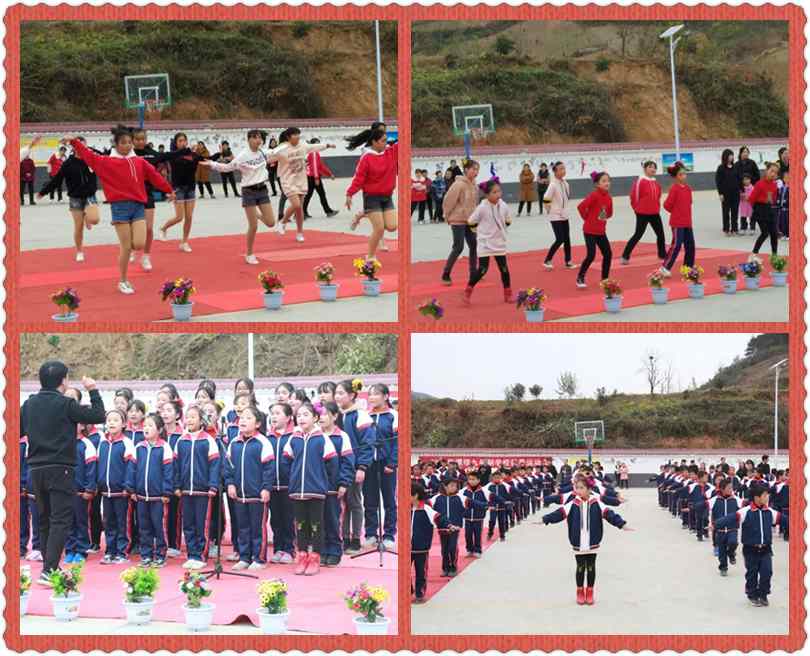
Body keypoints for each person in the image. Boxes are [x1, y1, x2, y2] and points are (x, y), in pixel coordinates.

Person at [20, 362, 105, 584]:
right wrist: (92, 390)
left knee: (44, 519)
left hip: (35, 469)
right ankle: (49, 570)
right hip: (60, 469)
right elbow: (98, 415)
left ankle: (50, 567)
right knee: (60, 520)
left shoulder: (28, 405)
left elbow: (14, 431)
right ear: (63, 380)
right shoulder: (66, 404)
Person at [66, 128, 175, 295]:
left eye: (129, 142)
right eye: (123, 143)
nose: (127, 145)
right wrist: (74, 142)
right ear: (116, 144)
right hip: (120, 208)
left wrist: (169, 190)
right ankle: (123, 281)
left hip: (138, 206)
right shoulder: (105, 162)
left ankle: (131, 256)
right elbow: (88, 155)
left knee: (139, 243)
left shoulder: (139, 162)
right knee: (126, 247)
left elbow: (155, 176)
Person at [541, 476, 632, 605]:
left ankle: (590, 591)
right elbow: (558, 514)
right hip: (578, 541)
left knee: (591, 567)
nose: (578, 491)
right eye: (577, 488)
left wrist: (622, 524)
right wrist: (545, 519)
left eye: (581, 488)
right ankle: (579, 591)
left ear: (589, 489)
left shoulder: (596, 502)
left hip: (593, 541)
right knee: (580, 567)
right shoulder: (572, 503)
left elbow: (609, 514)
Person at [199, 129, 278, 264]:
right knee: (253, 226)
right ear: (249, 139)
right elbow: (227, 167)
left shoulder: (263, 152)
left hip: (262, 190)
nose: (258, 140)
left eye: (260, 138)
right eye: (255, 138)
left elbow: (278, 152)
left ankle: (257, 214)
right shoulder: (243, 156)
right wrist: (212, 164)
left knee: (271, 222)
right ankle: (249, 254)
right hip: (249, 191)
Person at [283, 402, 338, 576]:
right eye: (298, 415)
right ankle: (302, 557)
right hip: (297, 491)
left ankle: (315, 558)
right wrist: (293, 478)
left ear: (315, 418)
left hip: (316, 491)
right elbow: (286, 461)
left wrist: (323, 482)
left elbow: (332, 464)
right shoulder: (294, 438)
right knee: (300, 525)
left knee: (316, 525)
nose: (301, 418)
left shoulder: (322, 439)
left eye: (305, 415)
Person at [225, 406, 274, 571]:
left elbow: (269, 469)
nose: (243, 421)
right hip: (239, 495)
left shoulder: (263, 443)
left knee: (257, 528)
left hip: (257, 495)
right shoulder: (234, 443)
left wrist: (266, 488)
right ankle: (244, 557)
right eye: (242, 418)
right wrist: (230, 484)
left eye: (248, 418)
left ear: (258, 423)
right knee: (242, 527)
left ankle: (259, 558)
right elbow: (228, 467)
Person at [716, 482, 780, 606]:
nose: (767, 497)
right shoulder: (746, 512)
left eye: (767, 495)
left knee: (767, 572)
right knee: (752, 573)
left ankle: (763, 594)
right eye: (765, 495)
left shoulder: (769, 512)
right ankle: (752, 594)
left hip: (766, 549)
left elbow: (783, 519)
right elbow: (730, 518)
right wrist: (715, 524)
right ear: (757, 497)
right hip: (750, 549)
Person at [37, 137, 100, 263]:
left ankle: (87, 216)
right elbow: (57, 180)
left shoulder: (92, 159)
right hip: (75, 198)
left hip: (89, 196)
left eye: (84, 146)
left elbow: (105, 157)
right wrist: (43, 192)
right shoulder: (68, 163)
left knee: (94, 219)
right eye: (79, 146)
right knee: (79, 227)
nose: (82, 148)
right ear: (74, 148)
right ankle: (79, 251)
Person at [174, 404, 221, 570]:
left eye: (193, 417)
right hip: (186, 490)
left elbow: (214, 465)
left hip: (203, 491)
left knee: (202, 524)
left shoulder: (208, 440)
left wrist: (213, 486)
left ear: (201, 420)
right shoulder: (181, 441)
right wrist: (177, 485)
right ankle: (191, 554)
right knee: (188, 525)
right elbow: (176, 466)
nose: (189, 420)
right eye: (187, 417)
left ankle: (201, 555)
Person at [270, 127, 335, 243]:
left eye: (298, 134)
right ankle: (283, 222)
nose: (297, 136)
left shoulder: (303, 146)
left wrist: (328, 145)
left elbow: (314, 147)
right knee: (296, 204)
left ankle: (299, 233)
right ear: (288, 137)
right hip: (287, 180)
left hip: (301, 180)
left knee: (299, 208)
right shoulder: (282, 148)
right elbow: (269, 155)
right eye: (295, 134)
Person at [345, 126, 399, 259]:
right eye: (383, 141)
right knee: (379, 228)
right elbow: (359, 179)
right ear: (374, 142)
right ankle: (370, 256)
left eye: (386, 140)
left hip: (387, 197)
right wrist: (349, 194)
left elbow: (404, 141)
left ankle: (362, 214)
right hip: (372, 197)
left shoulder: (391, 152)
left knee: (392, 226)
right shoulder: (366, 158)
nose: (386, 143)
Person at [128, 413, 174, 567]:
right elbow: (132, 469)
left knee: (159, 527)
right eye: (145, 425)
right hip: (141, 497)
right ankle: (146, 555)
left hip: (158, 498)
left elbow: (168, 472)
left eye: (150, 425)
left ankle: (160, 555)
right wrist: (131, 489)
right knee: (144, 527)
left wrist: (166, 492)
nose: (146, 428)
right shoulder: (139, 447)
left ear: (159, 430)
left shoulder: (164, 447)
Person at [334, 379, 374, 553]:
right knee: (342, 504)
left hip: (353, 466)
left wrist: (362, 467)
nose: (337, 396)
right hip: (337, 467)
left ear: (352, 395)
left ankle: (356, 539)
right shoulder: (335, 415)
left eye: (341, 393)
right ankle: (343, 538)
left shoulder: (360, 415)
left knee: (354, 502)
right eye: (336, 393)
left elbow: (368, 444)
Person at [463, 178, 513, 305]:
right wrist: (479, 232)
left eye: (499, 191)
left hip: (499, 242)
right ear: (487, 194)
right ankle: (469, 289)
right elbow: (471, 221)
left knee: (504, 269)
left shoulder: (503, 205)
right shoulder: (482, 207)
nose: (498, 194)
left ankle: (508, 294)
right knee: (482, 270)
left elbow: (508, 220)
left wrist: (501, 229)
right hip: (485, 243)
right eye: (494, 192)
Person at [97, 409, 136, 565]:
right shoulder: (103, 443)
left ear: (124, 424)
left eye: (116, 420)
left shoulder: (127, 443)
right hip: (106, 492)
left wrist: (128, 486)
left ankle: (122, 552)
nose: (111, 423)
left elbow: (131, 467)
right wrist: (98, 484)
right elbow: (99, 465)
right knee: (109, 523)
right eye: (109, 420)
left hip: (121, 492)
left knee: (122, 523)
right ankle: (110, 551)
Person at [63, 388, 98, 566]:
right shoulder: (63, 443)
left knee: (82, 522)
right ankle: (70, 549)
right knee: (68, 522)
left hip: (81, 492)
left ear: (83, 425)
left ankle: (82, 550)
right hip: (65, 491)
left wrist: (89, 489)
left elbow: (91, 469)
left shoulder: (87, 444)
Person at [158, 132, 209, 253]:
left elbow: (205, 160)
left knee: (189, 217)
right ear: (176, 143)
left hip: (190, 188)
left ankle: (184, 242)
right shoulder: (173, 155)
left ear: (187, 141)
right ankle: (163, 228)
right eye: (179, 141)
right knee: (179, 217)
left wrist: (218, 155)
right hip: (178, 189)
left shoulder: (192, 154)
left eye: (184, 140)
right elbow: (161, 158)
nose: (182, 143)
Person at [320, 401, 355, 567]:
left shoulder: (342, 436)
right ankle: (321, 551)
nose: (321, 418)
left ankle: (334, 551)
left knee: (333, 520)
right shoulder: (314, 435)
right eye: (318, 414)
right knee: (319, 521)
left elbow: (348, 462)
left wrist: (343, 483)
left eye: (325, 414)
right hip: (316, 487)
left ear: (334, 416)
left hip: (333, 487)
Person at [365, 384, 398, 549]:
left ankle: (389, 534)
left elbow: (397, 441)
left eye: (376, 394)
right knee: (369, 500)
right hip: (369, 463)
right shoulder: (366, 416)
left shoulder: (393, 415)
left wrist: (392, 462)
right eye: (370, 395)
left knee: (389, 500)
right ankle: (371, 534)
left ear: (385, 396)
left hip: (387, 463)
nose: (372, 397)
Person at [411, 480, 453, 603]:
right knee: (403, 572)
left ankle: (419, 594)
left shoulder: (426, 509)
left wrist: (449, 525)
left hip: (421, 548)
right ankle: (409, 590)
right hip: (406, 548)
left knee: (421, 572)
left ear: (415, 495)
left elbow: (440, 518)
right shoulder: (404, 508)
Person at [441, 159, 479, 286]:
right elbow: (448, 200)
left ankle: (473, 273)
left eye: (477, 169)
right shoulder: (458, 184)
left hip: (470, 220)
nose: (476, 172)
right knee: (458, 247)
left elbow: (474, 203)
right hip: (458, 220)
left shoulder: (474, 184)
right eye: (474, 169)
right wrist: (446, 215)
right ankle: (446, 274)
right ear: (466, 170)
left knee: (474, 245)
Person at [267, 402, 296, 564]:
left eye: (278, 413)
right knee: (275, 519)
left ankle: (289, 549)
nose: (274, 417)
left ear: (288, 417)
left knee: (289, 518)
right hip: (272, 486)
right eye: (272, 413)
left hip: (289, 486)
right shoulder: (267, 437)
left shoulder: (295, 436)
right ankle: (278, 548)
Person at [621, 161, 666, 263]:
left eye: (654, 167)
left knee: (660, 234)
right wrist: (636, 209)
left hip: (654, 213)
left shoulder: (655, 183)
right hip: (642, 213)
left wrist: (656, 206)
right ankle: (625, 256)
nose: (653, 169)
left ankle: (662, 255)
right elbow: (634, 196)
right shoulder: (640, 182)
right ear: (645, 169)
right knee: (638, 234)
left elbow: (658, 195)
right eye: (650, 167)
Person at [576, 171, 613, 289]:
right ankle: (580, 277)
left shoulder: (609, 197)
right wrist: (586, 218)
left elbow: (610, 213)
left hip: (601, 231)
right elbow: (581, 207)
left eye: (608, 180)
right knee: (591, 255)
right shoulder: (594, 195)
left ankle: (605, 279)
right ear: (597, 184)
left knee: (608, 254)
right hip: (589, 231)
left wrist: (603, 215)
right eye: (604, 181)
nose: (607, 183)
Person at [660, 161, 694, 277]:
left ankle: (687, 268)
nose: (684, 176)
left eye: (684, 174)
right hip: (677, 223)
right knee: (676, 245)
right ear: (675, 176)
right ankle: (665, 267)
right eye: (681, 174)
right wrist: (676, 212)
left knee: (690, 246)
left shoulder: (688, 189)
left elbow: (689, 203)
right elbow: (666, 205)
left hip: (687, 222)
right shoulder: (674, 189)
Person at [542, 162, 575, 270]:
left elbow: (567, 198)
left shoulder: (566, 183)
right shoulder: (553, 184)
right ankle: (547, 260)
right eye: (560, 169)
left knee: (567, 239)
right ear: (555, 171)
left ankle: (568, 261)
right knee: (560, 239)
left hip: (565, 215)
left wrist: (565, 210)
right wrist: (550, 210)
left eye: (564, 168)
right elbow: (546, 198)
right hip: (555, 216)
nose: (563, 170)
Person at [430, 478, 466, 577]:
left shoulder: (460, 498)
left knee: (452, 547)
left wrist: (484, 506)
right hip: (442, 528)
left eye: (456, 486)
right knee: (444, 549)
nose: (454, 488)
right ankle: (445, 568)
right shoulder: (436, 498)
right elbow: (427, 507)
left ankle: (453, 567)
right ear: (445, 486)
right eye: (452, 486)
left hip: (455, 527)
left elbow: (471, 505)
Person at [709, 478, 742, 576]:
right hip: (720, 530)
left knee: (733, 542)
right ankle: (723, 567)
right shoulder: (715, 500)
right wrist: (711, 524)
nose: (731, 490)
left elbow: (745, 507)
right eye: (729, 488)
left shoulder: (736, 499)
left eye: (732, 488)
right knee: (722, 551)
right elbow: (706, 506)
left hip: (732, 528)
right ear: (722, 489)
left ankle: (731, 553)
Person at [750, 162, 781, 257]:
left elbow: (773, 199)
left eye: (775, 172)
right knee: (765, 233)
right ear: (766, 171)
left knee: (774, 233)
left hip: (769, 210)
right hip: (759, 210)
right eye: (771, 171)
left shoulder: (774, 185)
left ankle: (774, 255)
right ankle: (754, 253)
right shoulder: (759, 184)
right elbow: (751, 199)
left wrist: (770, 200)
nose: (773, 174)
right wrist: (756, 210)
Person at [302, 138, 339, 219]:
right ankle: (328, 211)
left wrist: (329, 174)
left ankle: (303, 212)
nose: (319, 145)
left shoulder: (313, 153)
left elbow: (321, 166)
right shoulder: (314, 153)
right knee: (320, 194)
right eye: (317, 144)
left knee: (309, 195)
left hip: (310, 177)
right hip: (313, 177)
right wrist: (316, 178)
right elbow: (315, 167)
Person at [716, 149, 740, 236]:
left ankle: (734, 229)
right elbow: (718, 182)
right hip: (725, 194)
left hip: (735, 193)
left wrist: (742, 191)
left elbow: (739, 179)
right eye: (730, 155)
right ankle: (726, 229)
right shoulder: (721, 168)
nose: (731, 157)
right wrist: (720, 194)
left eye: (732, 155)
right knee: (726, 212)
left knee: (735, 212)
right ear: (725, 156)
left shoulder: (735, 167)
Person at [777, 171, 789, 240]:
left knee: (787, 222)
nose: (786, 179)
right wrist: (778, 200)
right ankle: (784, 234)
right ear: (783, 179)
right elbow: (779, 195)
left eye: (788, 178)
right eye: (785, 178)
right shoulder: (782, 188)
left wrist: (786, 200)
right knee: (782, 221)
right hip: (781, 208)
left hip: (787, 208)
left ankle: (788, 235)